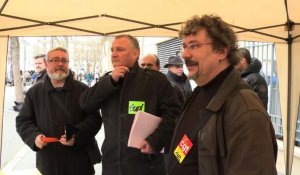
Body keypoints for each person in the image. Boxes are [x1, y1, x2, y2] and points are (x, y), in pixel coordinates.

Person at [167, 15, 277, 175]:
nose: (184, 55)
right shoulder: (199, 91)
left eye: (193, 45)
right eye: (184, 46)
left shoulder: (245, 108)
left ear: (222, 51)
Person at [80, 35, 181, 175]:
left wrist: (156, 140)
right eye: (112, 50)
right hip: (113, 164)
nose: (114, 54)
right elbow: (85, 104)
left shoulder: (155, 81)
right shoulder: (107, 81)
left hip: (146, 164)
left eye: (120, 50)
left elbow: (174, 114)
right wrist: (110, 81)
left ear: (135, 54)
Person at [16, 47, 102, 175]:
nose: (60, 64)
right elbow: (23, 120)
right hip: (48, 162)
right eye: (55, 60)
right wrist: (34, 137)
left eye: (64, 60)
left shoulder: (83, 90)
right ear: (46, 63)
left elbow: (95, 119)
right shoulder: (35, 92)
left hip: (79, 162)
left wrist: (76, 136)